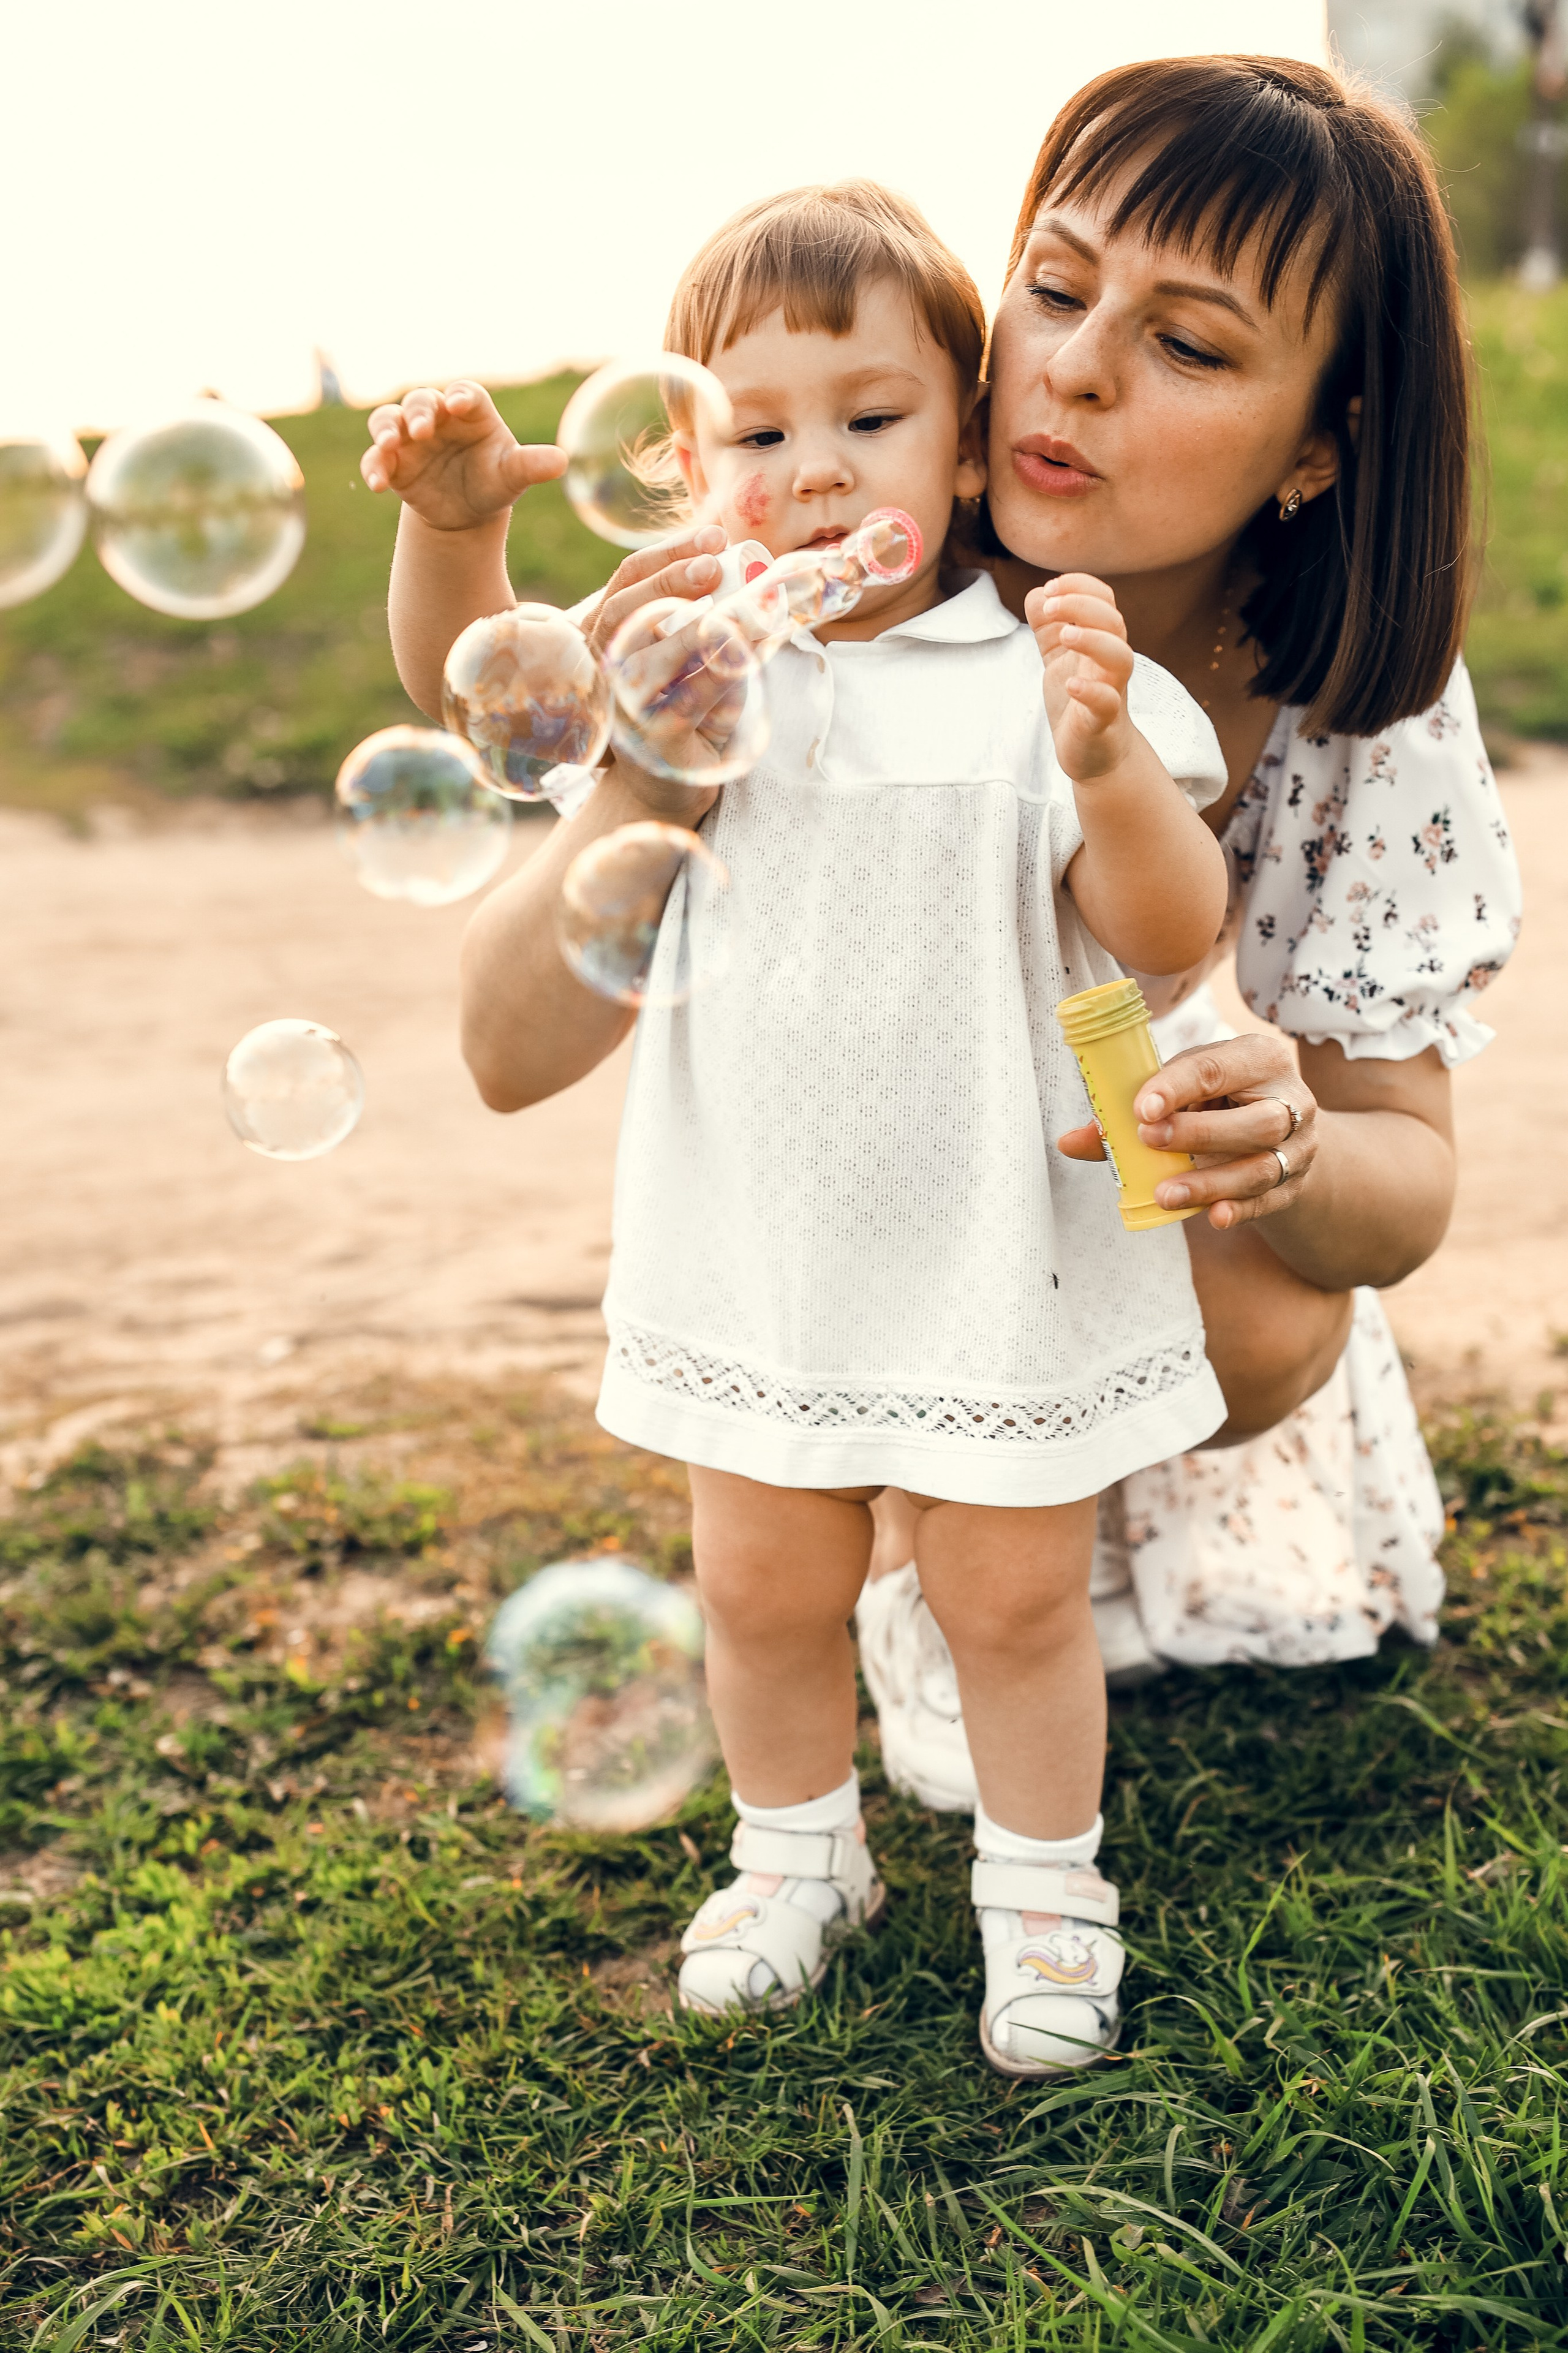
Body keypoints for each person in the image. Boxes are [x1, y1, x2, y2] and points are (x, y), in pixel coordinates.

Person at [366, 177, 1238, 2080]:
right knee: (761, 1585)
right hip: (757, 1241)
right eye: (759, 434)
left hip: (1000, 1250)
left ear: (970, 437)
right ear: (689, 470)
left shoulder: (1039, 677)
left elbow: (1173, 929)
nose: (820, 470)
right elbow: (478, 700)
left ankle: (1046, 1887)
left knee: (1012, 1593)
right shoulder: (687, 680)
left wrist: (1103, 761)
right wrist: (455, 530)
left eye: (873, 416)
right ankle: (795, 1856)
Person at [852, 53, 1522, 1804]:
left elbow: (1407, 1186)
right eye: (1056, 285)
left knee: (1275, 1312)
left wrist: (1293, 1145)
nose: (1073, 366)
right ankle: (907, 1550)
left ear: (1321, 443)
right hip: (859, 1165)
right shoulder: (874, 575)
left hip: (1091, 1146)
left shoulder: (1352, 705)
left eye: (1191, 345)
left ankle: (1033, 1538)